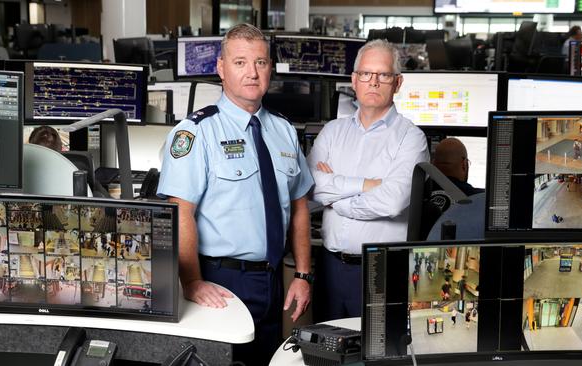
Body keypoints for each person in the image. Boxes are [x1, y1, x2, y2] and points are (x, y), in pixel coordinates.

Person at [156, 23, 314, 366]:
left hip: (273, 281)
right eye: (240, 62)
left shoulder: (284, 130)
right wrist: (193, 281)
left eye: (260, 62)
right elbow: (179, 211)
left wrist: (302, 274)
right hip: (221, 280)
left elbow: (299, 206)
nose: (252, 73)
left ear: (270, 68)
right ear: (221, 69)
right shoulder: (197, 132)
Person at [307, 39, 429, 322]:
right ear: (354, 80)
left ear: (397, 83)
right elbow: (312, 186)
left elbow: (391, 202)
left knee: (375, 357)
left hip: (380, 272)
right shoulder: (332, 132)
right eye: (365, 74)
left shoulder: (411, 138)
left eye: (383, 75)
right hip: (329, 268)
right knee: (324, 354)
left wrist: (335, 198)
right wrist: (365, 184)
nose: (373, 82)